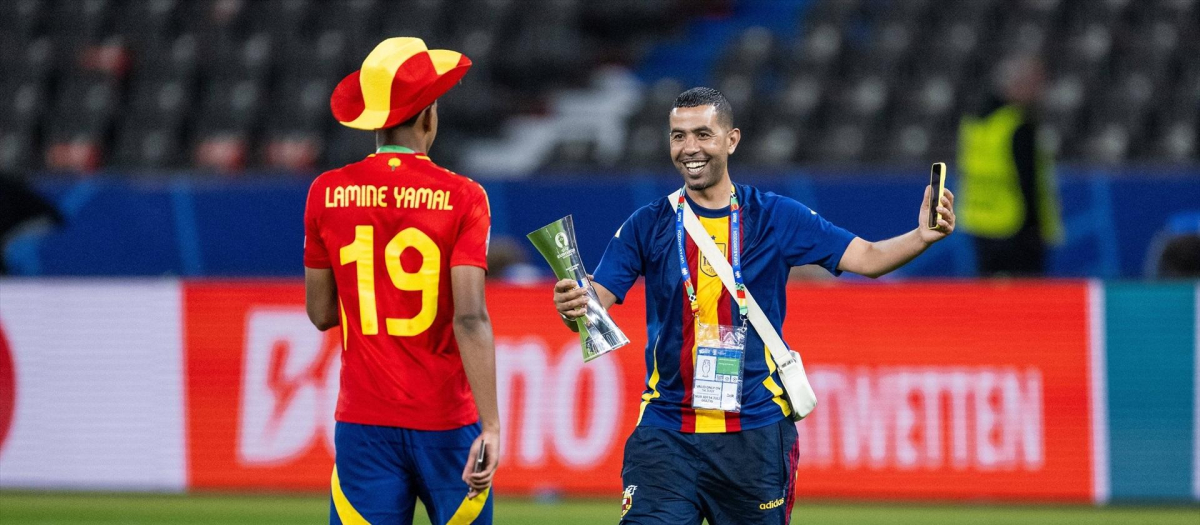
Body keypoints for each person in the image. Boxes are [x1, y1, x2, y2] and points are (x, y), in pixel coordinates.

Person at [552, 87, 955, 524]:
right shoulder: (646, 224)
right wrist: (574, 303)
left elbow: (869, 258)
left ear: (732, 139)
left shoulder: (774, 216)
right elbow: (596, 305)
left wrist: (921, 237)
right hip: (666, 433)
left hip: (755, 436)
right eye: (678, 136)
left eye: (703, 134)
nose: (689, 148)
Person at [304, 37, 499, 525]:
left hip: (364, 423)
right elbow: (469, 316)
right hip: (447, 423)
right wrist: (492, 426)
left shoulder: (326, 192)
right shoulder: (464, 197)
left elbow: (321, 313)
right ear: (429, 115)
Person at [957, 55, 1063, 276]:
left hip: (980, 222)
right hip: (1016, 225)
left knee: (988, 300)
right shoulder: (1017, 125)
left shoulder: (974, 121)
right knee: (1025, 301)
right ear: (1018, 85)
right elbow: (1028, 180)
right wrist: (1036, 229)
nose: (1039, 92)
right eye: (1035, 84)